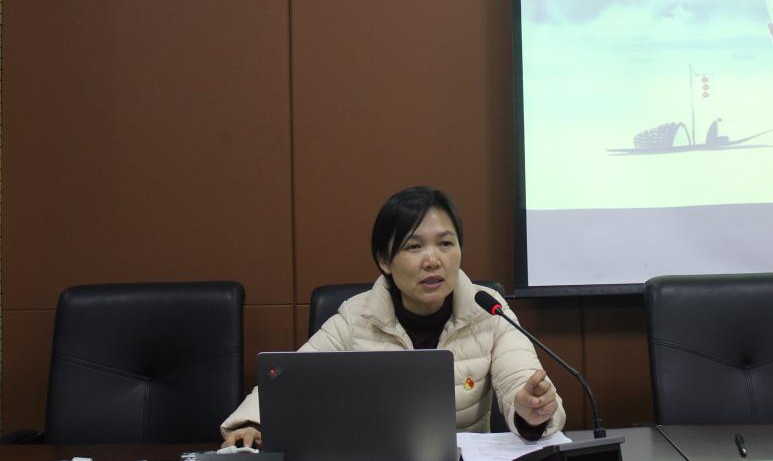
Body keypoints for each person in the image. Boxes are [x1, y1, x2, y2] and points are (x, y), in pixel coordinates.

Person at [221, 186, 566, 448]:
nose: (433, 260)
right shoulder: (357, 316)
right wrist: (252, 424)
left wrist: (532, 412)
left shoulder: (488, 310)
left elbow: (520, 381)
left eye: (446, 244)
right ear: (384, 260)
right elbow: (290, 381)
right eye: (414, 247)